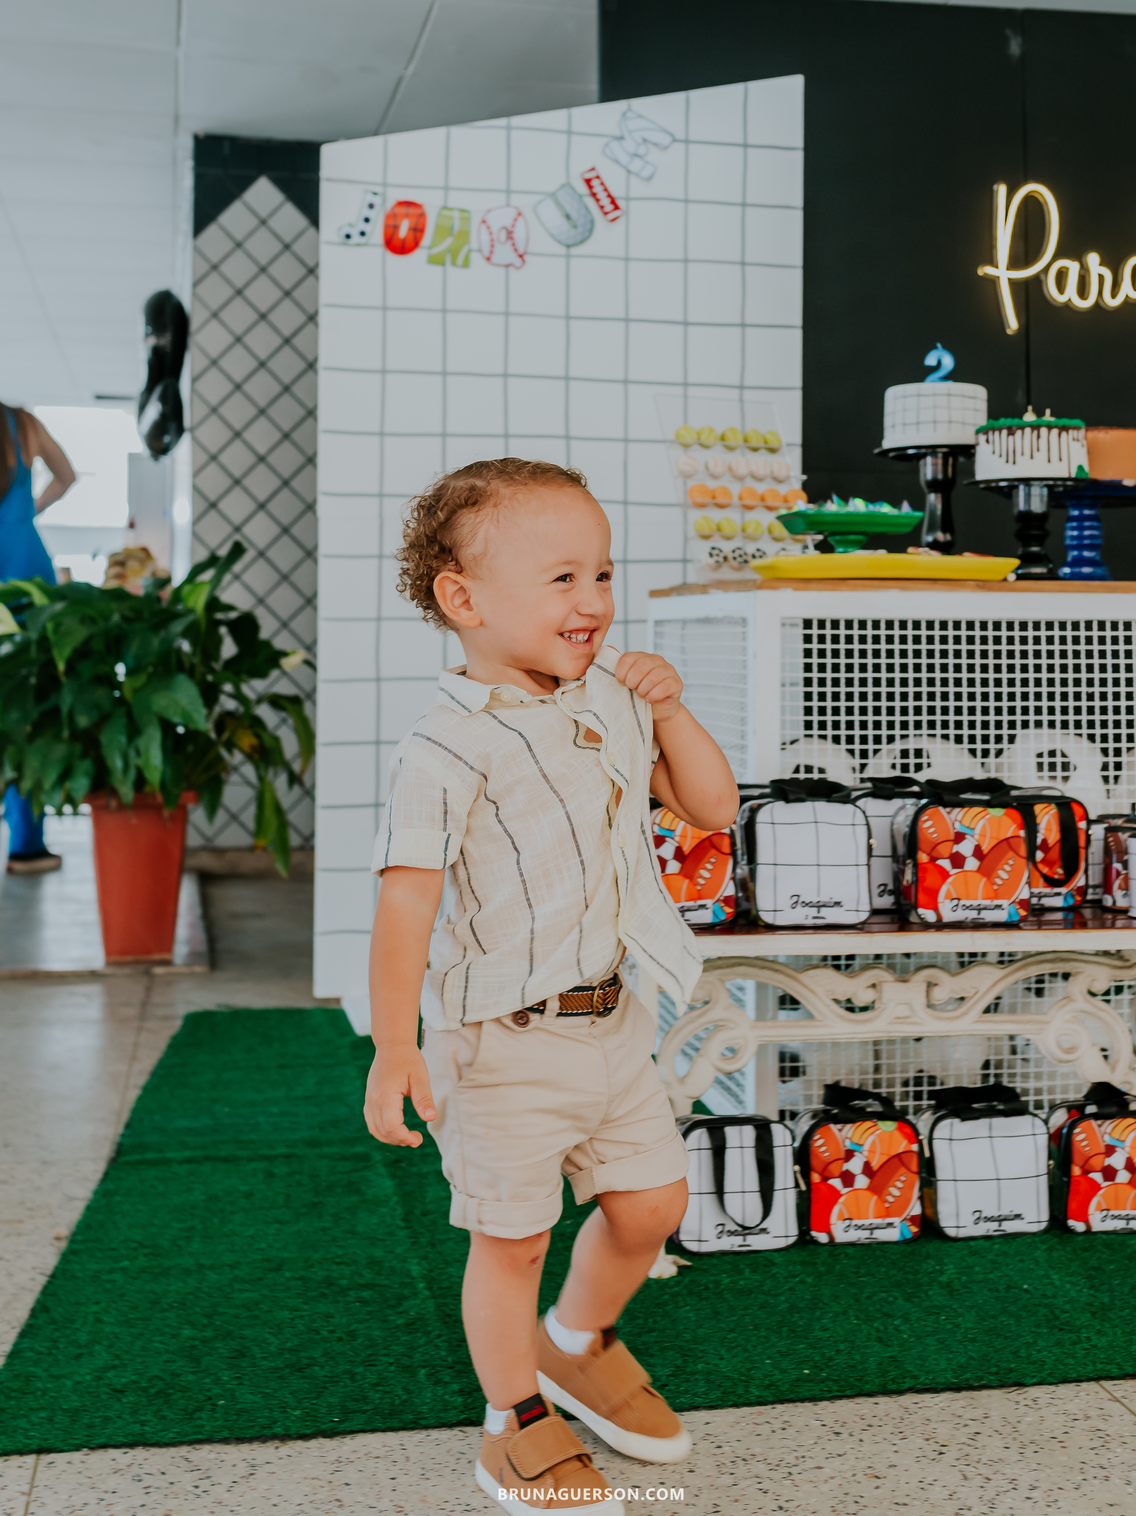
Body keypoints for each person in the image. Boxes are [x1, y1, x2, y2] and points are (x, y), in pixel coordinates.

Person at [364, 458, 738, 1507]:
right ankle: (511, 1417)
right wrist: (396, 1045)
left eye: (603, 575)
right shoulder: (446, 746)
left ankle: (576, 1344)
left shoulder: (613, 699)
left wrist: (670, 712)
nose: (594, 603)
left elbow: (711, 808)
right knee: (514, 1236)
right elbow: (406, 903)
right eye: (564, 579)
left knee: (651, 1205)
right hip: (507, 1039)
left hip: (614, 1023)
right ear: (463, 600)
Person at [0, 391, 76, 874]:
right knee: (28, 715)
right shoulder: (22, 424)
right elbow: (66, 477)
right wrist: (26, 514)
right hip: (27, 574)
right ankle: (27, 846)